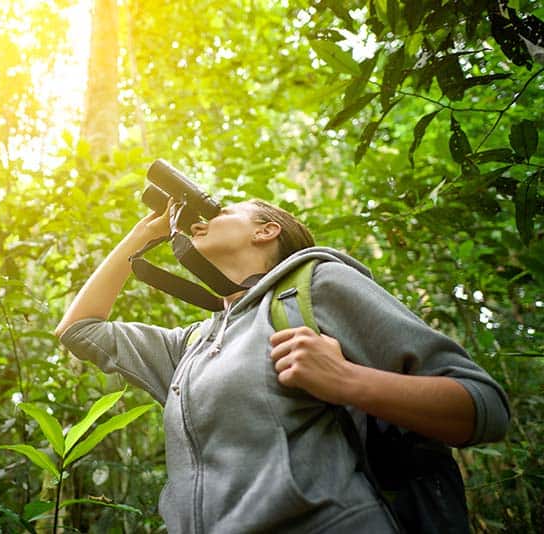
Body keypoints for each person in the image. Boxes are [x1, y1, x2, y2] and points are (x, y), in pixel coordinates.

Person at [54, 198, 510, 533]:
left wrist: (348, 381)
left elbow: (483, 407)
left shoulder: (317, 285)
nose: (204, 219)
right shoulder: (193, 344)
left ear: (265, 230)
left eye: (223, 210)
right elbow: (79, 330)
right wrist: (142, 236)